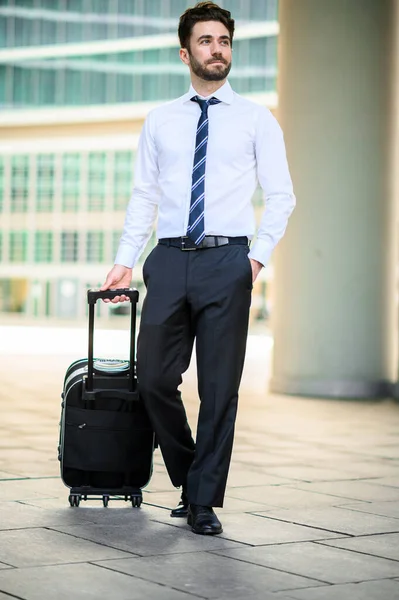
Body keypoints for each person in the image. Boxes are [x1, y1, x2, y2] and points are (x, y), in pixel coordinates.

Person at [101, 1, 295, 536]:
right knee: (155, 380)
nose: (218, 49)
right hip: (167, 260)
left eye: (225, 41)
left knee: (219, 386)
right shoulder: (160, 119)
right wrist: (125, 260)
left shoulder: (257, 118)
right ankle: (192, 476)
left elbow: (281, 195)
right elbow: (144, 195)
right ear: (186, 52)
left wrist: (255, 257)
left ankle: (203, 500)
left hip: (228, 260)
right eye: (207, 41)